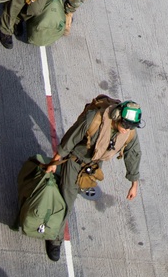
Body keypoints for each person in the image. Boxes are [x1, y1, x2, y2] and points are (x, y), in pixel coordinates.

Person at [41, 98, 142, 261]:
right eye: (125, 124)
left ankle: (62, 181)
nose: (127, 129)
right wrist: (55, 161)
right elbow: (70, 139)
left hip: (93, 166)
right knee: (67, 201)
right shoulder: (94, 119)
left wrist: (134, 183)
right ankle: (54, 239)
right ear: (117, 116)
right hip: (75, 161)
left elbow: (133, 154)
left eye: (131, 126)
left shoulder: (129, 132)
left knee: (72, 190)